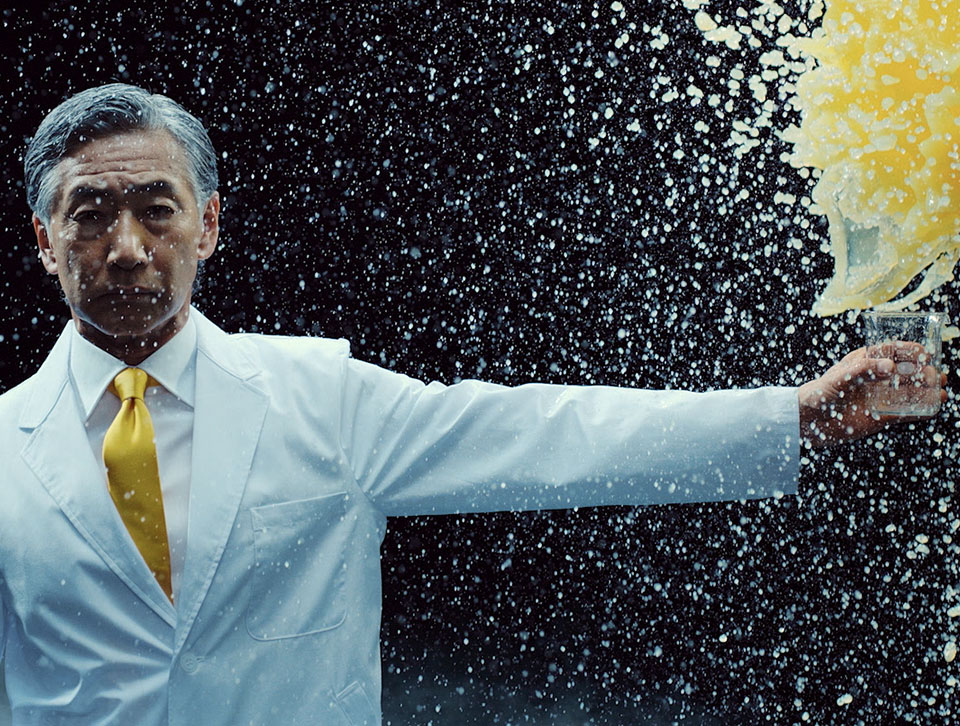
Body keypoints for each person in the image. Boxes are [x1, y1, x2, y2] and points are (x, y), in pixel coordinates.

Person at [0, 83, 942, 726]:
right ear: (45, 239)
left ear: (207, 225)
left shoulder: (321, 399)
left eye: (155, 208)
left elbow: (546, 435)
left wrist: (796, 417)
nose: (124, 245)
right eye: (89, 213)